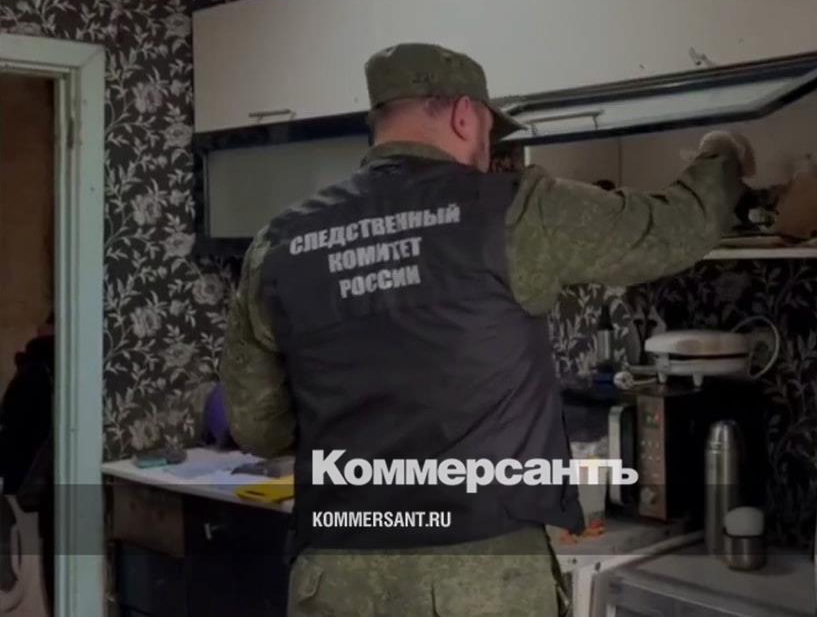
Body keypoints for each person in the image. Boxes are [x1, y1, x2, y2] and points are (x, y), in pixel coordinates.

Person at [219, 43, 755, 616]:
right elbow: (673, 228)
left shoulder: (279, 244)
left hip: (334, 578)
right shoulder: (514, 211)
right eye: (489, 134)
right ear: (464, 116)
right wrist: (723, 154)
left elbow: (256, 427)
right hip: (477, 580)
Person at [0, 313, 55, 610]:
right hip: (38, 482)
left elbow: (10, 429)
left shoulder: (29, 374)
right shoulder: (45, 374)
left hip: (22, 479)